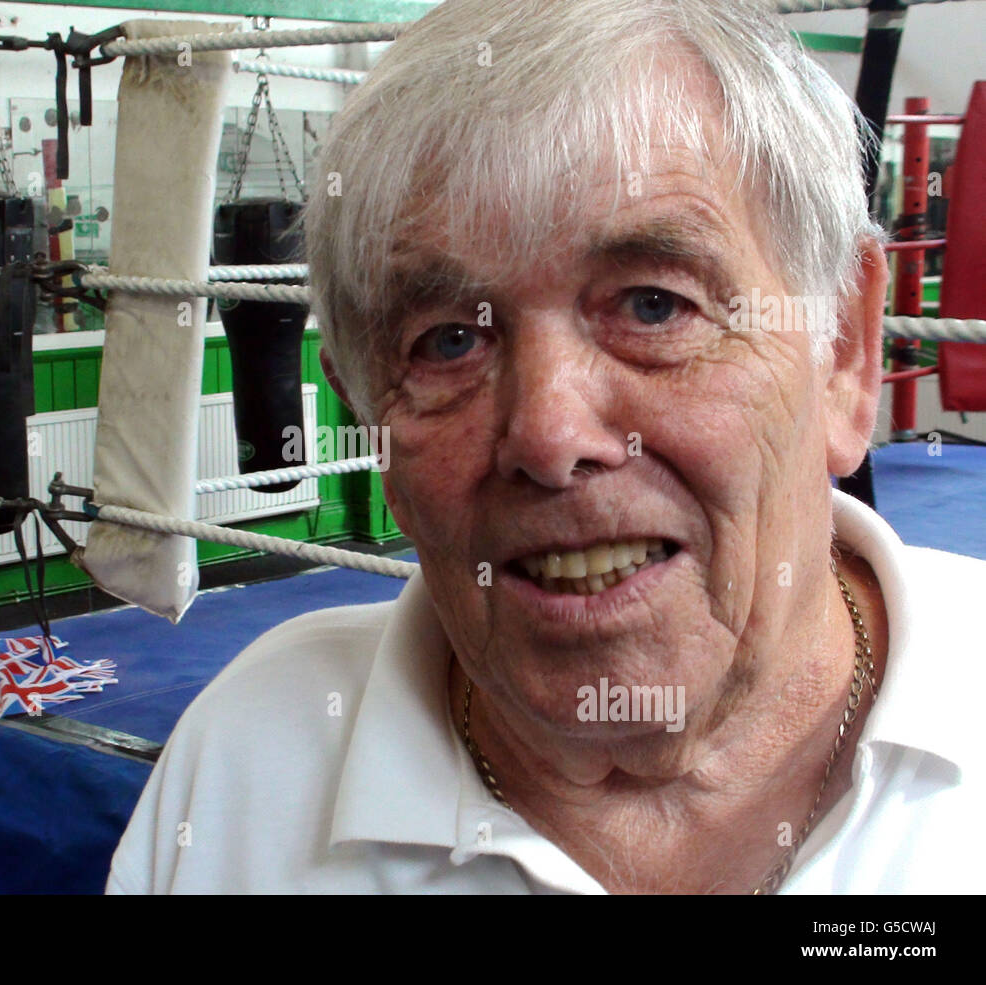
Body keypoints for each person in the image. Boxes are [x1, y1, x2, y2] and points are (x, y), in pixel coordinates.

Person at [107, 0, 984, 893]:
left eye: (654, 304)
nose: (550, 435)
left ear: (842, 349)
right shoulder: (244, 770)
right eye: (449, 340)